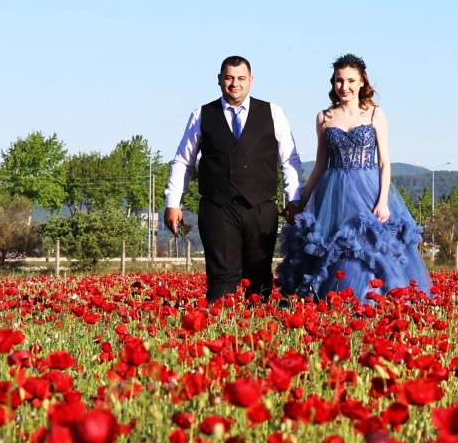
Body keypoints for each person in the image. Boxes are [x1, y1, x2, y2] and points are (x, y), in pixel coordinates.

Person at [276, 54, 432, 301]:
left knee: (366, 248)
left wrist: (382, 201)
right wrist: (300, 203)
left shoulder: (375, 114)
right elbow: (319, 166)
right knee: (333, 250)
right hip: (333, 193)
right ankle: (334, 303)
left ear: (362, 81)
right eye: (339, 81)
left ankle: (367, 303)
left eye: (350, 80)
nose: (344, 87)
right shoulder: (324, 117)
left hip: (368, 192)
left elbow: (384, 162)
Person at [164, 56, 302, 302]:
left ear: (251, 80)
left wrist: (294, 201)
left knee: (259, 277)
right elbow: (183, 161)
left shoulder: (273, 112)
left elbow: (289, 161)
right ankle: (218, 332)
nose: (234, 83)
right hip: (217, 208)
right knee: (221, 277)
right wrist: (173, 202)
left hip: (261, 209)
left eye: (240, 78)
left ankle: (259, 332)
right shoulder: (202, 114)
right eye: (229, 78)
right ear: (219, 80)